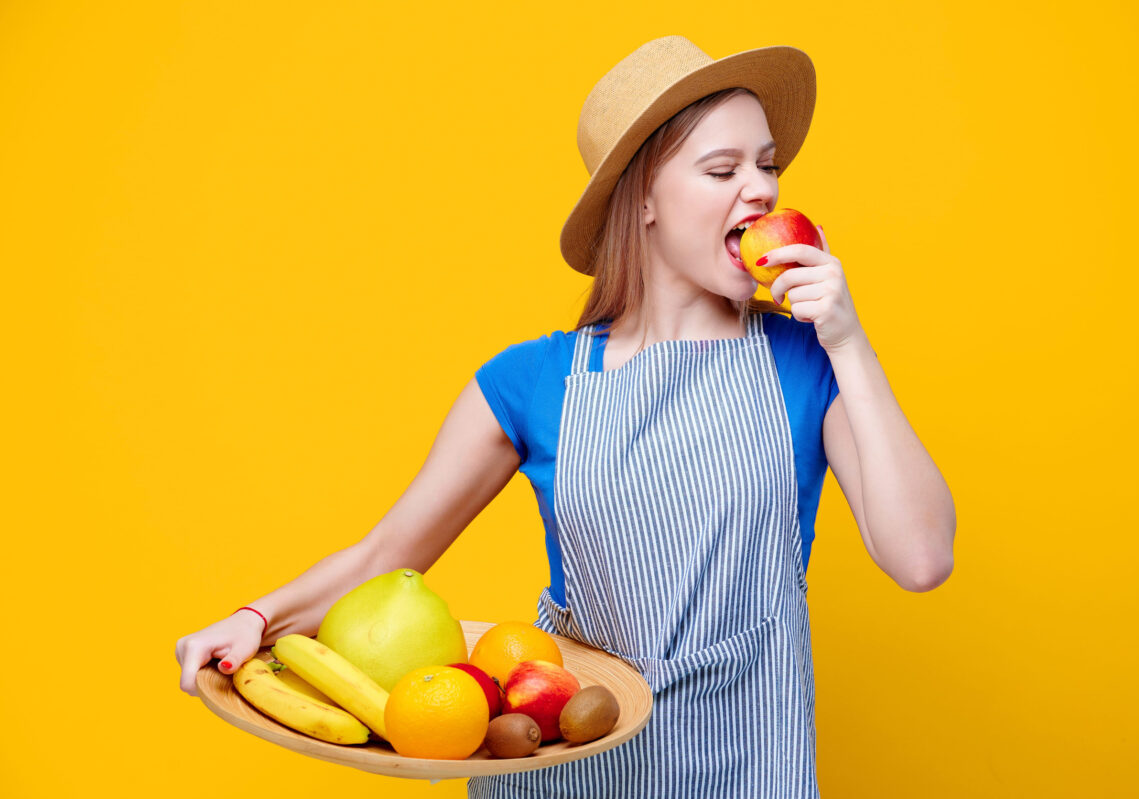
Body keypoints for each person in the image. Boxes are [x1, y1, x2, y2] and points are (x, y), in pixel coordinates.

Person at [175, 36, 955, 798]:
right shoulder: (532, 382)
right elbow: (389, 551)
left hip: (749, 761)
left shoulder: (806, 361)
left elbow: (920, 558)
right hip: (571, 765)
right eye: (723, 168)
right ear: (643, 195)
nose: (760, 190)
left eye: (767, 165)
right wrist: (258, 616)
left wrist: (848, 342)